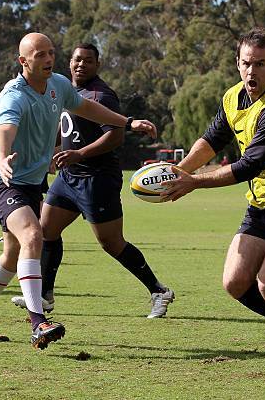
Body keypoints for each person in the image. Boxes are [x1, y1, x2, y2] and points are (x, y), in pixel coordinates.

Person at [0, 33, 157, 350]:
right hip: (3, 180)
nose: (48, 58)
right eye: (40, 54)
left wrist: (128, 122)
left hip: (30, 183)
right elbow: (4, 132)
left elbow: (87, 108)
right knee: (33, 236)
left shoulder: (58, 85)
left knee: (13, 254)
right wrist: (2, 158)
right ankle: (39, 322)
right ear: (23, 61)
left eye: (51, 52)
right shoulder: (13, 96)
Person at [161, 28, 265, 380]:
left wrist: (193, 183)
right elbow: (210, 142)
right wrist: (178, 171)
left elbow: (249, 165)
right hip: (261, 205)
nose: (252, 72)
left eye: (260, 64)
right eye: (246, 64)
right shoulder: (233, 98)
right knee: (235, 283)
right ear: (237, 64)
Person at [10, 43, 175, 318]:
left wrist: (79, 154)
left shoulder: (102, 94)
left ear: (97, 65)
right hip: (69, 177)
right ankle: (45, 294)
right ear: (69, 62)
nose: (81, 65)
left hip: (97, 179)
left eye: (88, 61)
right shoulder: (62, 89)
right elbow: (66, 130)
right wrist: (54, 153)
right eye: (77, 60)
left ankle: (159, 290)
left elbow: (116, 135)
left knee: (111, 243)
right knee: (46, 231)